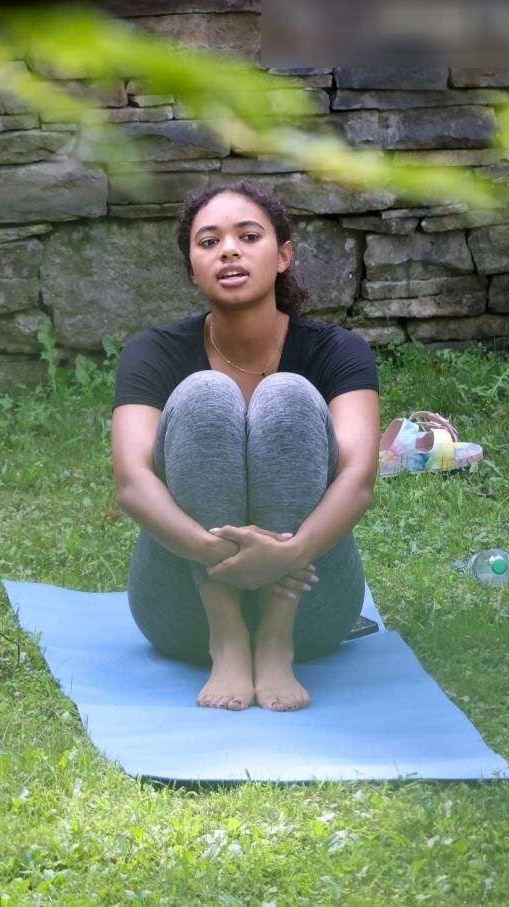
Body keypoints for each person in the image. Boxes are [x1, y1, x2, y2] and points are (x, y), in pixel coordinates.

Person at [110, 181, 380, 712]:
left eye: (248, 236)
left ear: (282, 256)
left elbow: (358, 479)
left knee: (288, 394)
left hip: (313, 610)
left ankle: (276, 642)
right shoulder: (153, 351)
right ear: (192, 269)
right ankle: (227, 637)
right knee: (206, 394)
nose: (229, 250)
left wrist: (288, 555)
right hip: (182, 611)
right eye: (209, 242)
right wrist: (216, 556)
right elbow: (132, 483)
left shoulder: (338, 351)